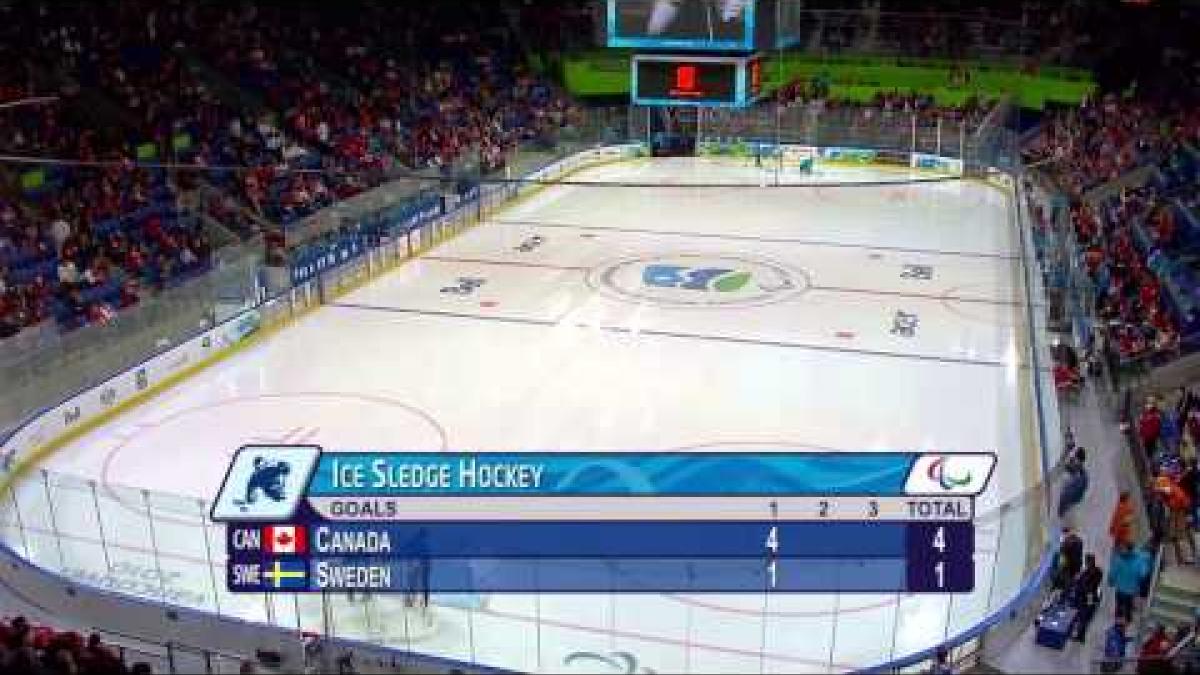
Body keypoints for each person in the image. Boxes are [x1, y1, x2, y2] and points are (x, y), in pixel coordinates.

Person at [1067, 553, 1104, 642]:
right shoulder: (1094, 571)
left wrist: (1079, 583)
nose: (1086, 564)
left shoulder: (1091, 573)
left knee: (1084, 616)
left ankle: (1080, 636)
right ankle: (1080, 635)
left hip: (1086, 598)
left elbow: (1088, 587)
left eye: (1087, 561)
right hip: (1088, 598)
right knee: (1084, 617)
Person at [1109, 542, 1145, 623]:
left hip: (1121, 587)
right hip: (1131, 589)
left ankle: (1119, 617)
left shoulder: (1119, 558)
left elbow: (1113, 571)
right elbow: (1143, 573)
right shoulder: (1139, 558)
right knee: (1128, 605)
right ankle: (1127, 619)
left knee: (1119, 603)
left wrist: (1111, 580)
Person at [1058, 451, 1090, 518]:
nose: (1075, 461)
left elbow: (1073, 495)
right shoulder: (1080, 472)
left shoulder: (1082, 477)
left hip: (1071, 503)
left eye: (1078, 460)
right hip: (1070, 502)